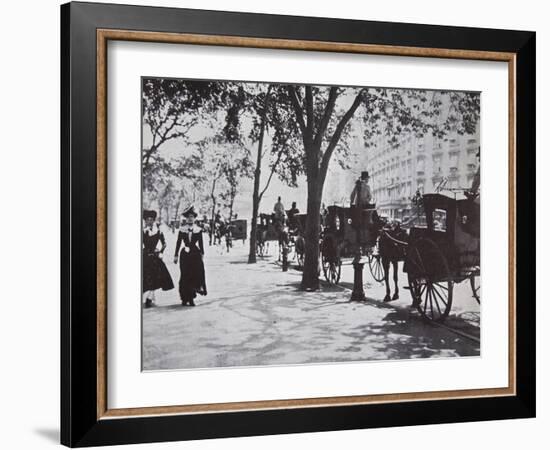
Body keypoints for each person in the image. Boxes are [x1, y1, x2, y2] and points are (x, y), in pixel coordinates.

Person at [174, 206, 207, 306]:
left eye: (192, 217)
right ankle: (184, 298)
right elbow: (178, 243)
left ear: (194, 218)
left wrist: (202, 254)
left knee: (195, 275)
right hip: (185, 255)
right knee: (185, 275)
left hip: (195, 255)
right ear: (186, 218)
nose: (190, 219)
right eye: (188, 217)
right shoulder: (182, 229)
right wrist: (175, 255)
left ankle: (191, 298)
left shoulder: (198, 230)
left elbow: (201, 243)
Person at [142, 210, 174, 308]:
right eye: (148, 220)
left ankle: (149, 298)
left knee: (155, 278)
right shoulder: (143, 231)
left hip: (155, 258)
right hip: (145, 257)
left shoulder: (158, 231)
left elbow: (164, 244)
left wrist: (160, 252)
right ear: (145, 221)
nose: (150, 222)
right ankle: (148, 298)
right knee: (146, 278)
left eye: (151, 220)